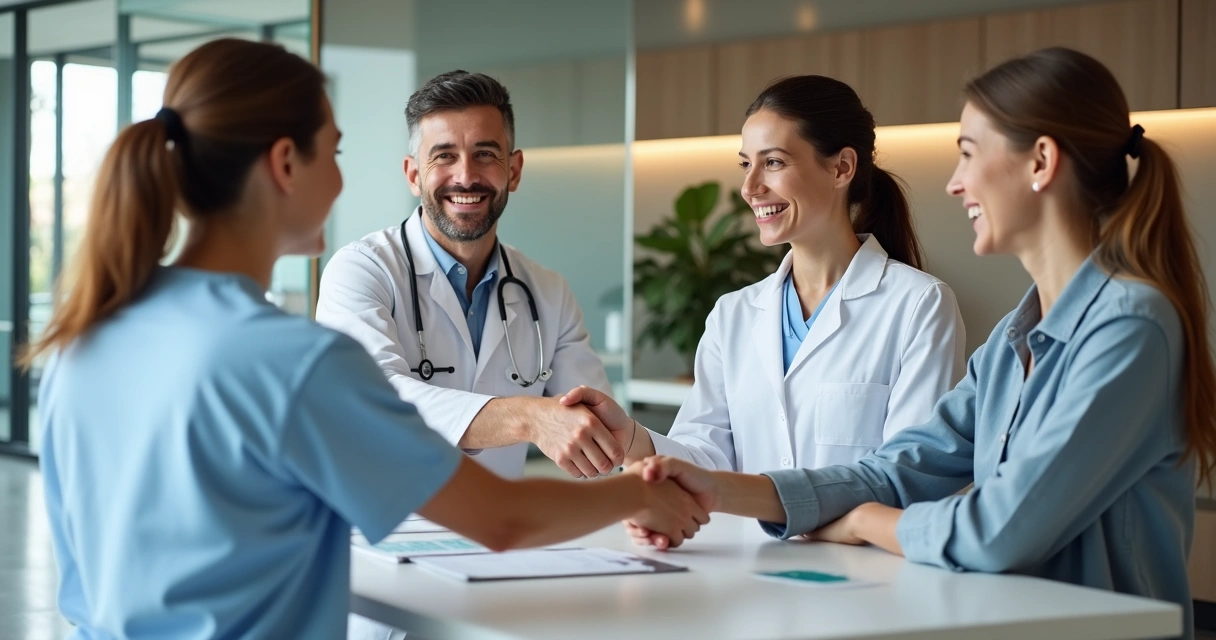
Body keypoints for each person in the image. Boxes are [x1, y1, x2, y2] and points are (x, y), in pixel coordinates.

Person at [29, 39, 706, 640]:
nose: (342, 177)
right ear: (285, 164)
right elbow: (502, 518)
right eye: (336, 151)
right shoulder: (293, 362)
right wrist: (639, 494)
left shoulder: (83, 334)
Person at [626, 48, 1215, 639]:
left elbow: (997, 528)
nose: (955, 184)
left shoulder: (1130, 328)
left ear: (1040, 161)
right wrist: (720, 488)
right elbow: (899, 468)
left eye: (966, 154)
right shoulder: (1016, 338)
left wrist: (863, 522)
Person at [564, 75, 966, 474]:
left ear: (842, 167)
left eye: (772, 162)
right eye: (745, 164)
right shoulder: (733, 314)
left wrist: (790, 508)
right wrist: (631, 438)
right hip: (746, 541)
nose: (749, 187)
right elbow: (706, 457)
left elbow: (910, 474)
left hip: (860, 542)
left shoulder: (918, 305)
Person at [317, 71, 624, 481]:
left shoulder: (547, 291)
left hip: (501, 534)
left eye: (485, 154)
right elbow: (371, 400)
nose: (465, 176)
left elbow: (594, 425)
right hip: (382, 532)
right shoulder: (361, 270)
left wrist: (639, 488)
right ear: (413, 174)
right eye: (444, 155)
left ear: (513, 171)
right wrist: (528, 418)